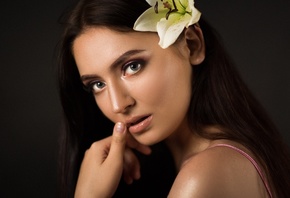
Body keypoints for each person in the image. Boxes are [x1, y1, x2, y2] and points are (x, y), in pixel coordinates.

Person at [57, 0, 290, 197]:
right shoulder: (212, 159)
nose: (118, 104)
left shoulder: (203, 175)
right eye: (98, 85)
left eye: (132, 66)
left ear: (191, 44)